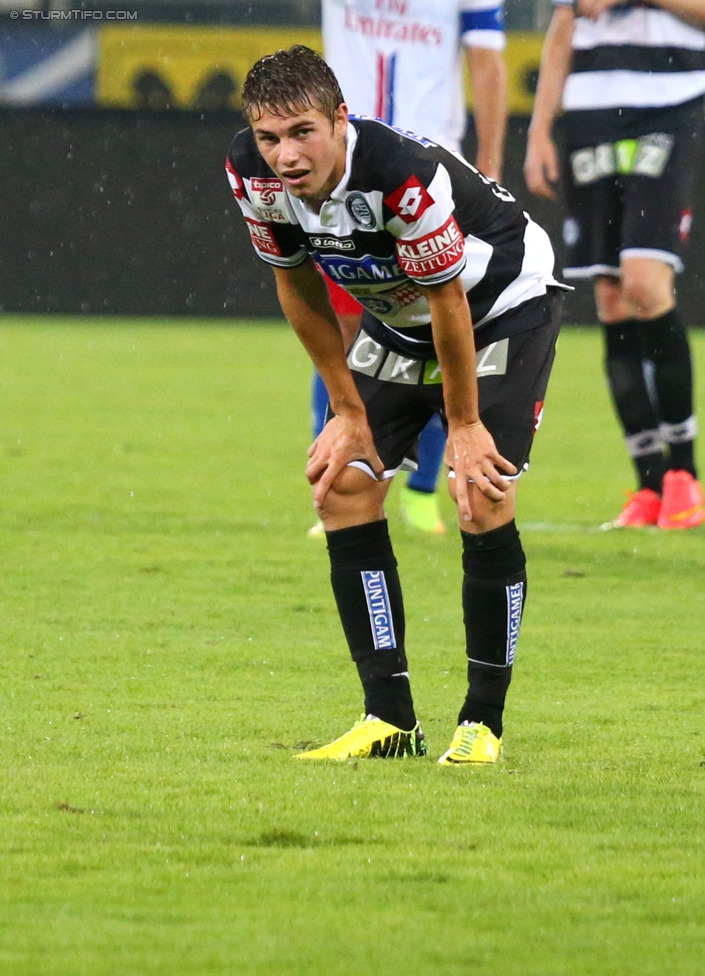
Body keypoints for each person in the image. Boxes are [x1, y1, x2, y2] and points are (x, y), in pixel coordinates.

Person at [225, 45, 566, 764]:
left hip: (499, 305)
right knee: (342, 489)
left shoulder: (396, 176)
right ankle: (389, 719)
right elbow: (296, 286)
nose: (283, 155)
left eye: (301, 133)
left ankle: (481, 724)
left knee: (481, 493)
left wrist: (464, 424)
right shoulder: (252, 174)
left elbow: (449, 299)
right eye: (269, 136)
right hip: (401, 316)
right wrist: (347, 411)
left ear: (339, 120)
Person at [307, 0, 508, 538]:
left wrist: (489, 166)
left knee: (440, 325)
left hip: (430, 173)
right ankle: (337, 477)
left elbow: (486, 62)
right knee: (348, 332)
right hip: (341, 172)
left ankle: (424, 493)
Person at [524, 0, 705, 530]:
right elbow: (564, 24)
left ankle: (684, 475)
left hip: (671, 105)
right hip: (590, 116)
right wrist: (540, 129)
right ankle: (649, 484)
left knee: (646, 285)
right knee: (611, 298)